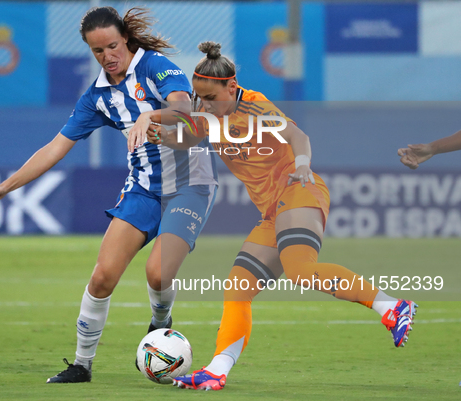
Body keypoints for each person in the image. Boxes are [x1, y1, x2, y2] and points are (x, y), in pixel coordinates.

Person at [150, 42, 417, 391]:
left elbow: (298, 136)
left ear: (232, 87)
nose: (203, 104)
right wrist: (164, 136)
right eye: (198, 97)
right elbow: (188, 137)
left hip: (300, 190)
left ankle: (392, 307)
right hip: (273, 211)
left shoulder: (255, 105)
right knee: (237, 289)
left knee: (300, 270)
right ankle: (216, 370)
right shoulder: (209, 116)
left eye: (210, 96)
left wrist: (302, 165)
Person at [0, 7, 218, 384]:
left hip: (190, 186)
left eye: (113, 46)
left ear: (126, 40)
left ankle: (161, 324)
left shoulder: (155, 66)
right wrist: (6, 187)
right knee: (102, 278)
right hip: (144, 189)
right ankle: (82, 365)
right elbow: (55, 147)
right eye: (98, 51)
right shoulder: (97, 96)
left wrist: (150, 117)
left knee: (157, 272)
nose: (108, 56)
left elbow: (182, 107)